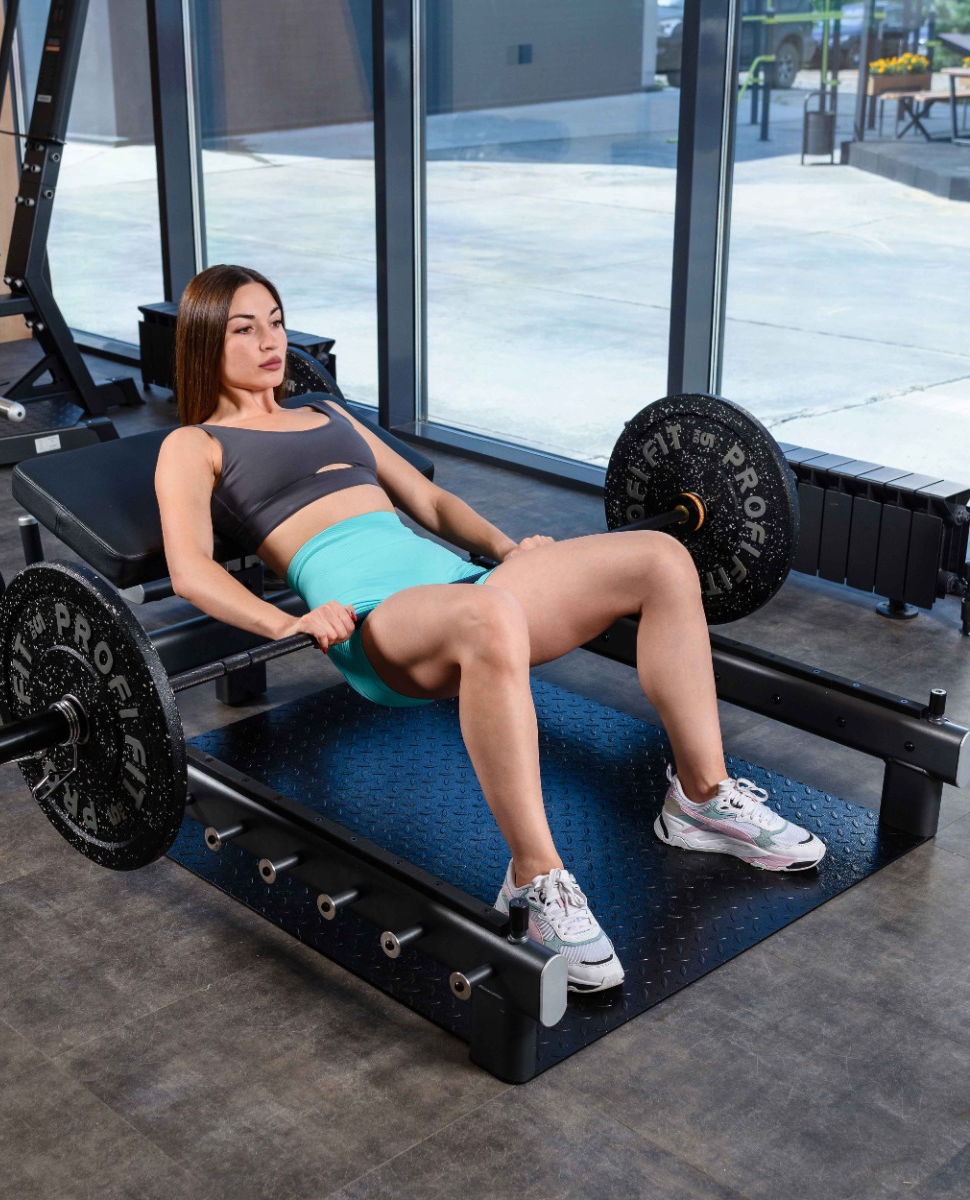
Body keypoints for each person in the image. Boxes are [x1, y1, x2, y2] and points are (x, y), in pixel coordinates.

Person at [155, 264, 826, 994]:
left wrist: (508, 551)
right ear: (206, 342)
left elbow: (431, 503)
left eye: (277, 322)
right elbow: (190, 569)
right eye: (244, 329)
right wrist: (289, 619)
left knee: (661, 558)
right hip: (376, 623)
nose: (269, 341)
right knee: (489, 613)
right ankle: (535, 880)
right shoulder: (195, 444)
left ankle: (700, 798)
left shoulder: (328, 415)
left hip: (468, 592)